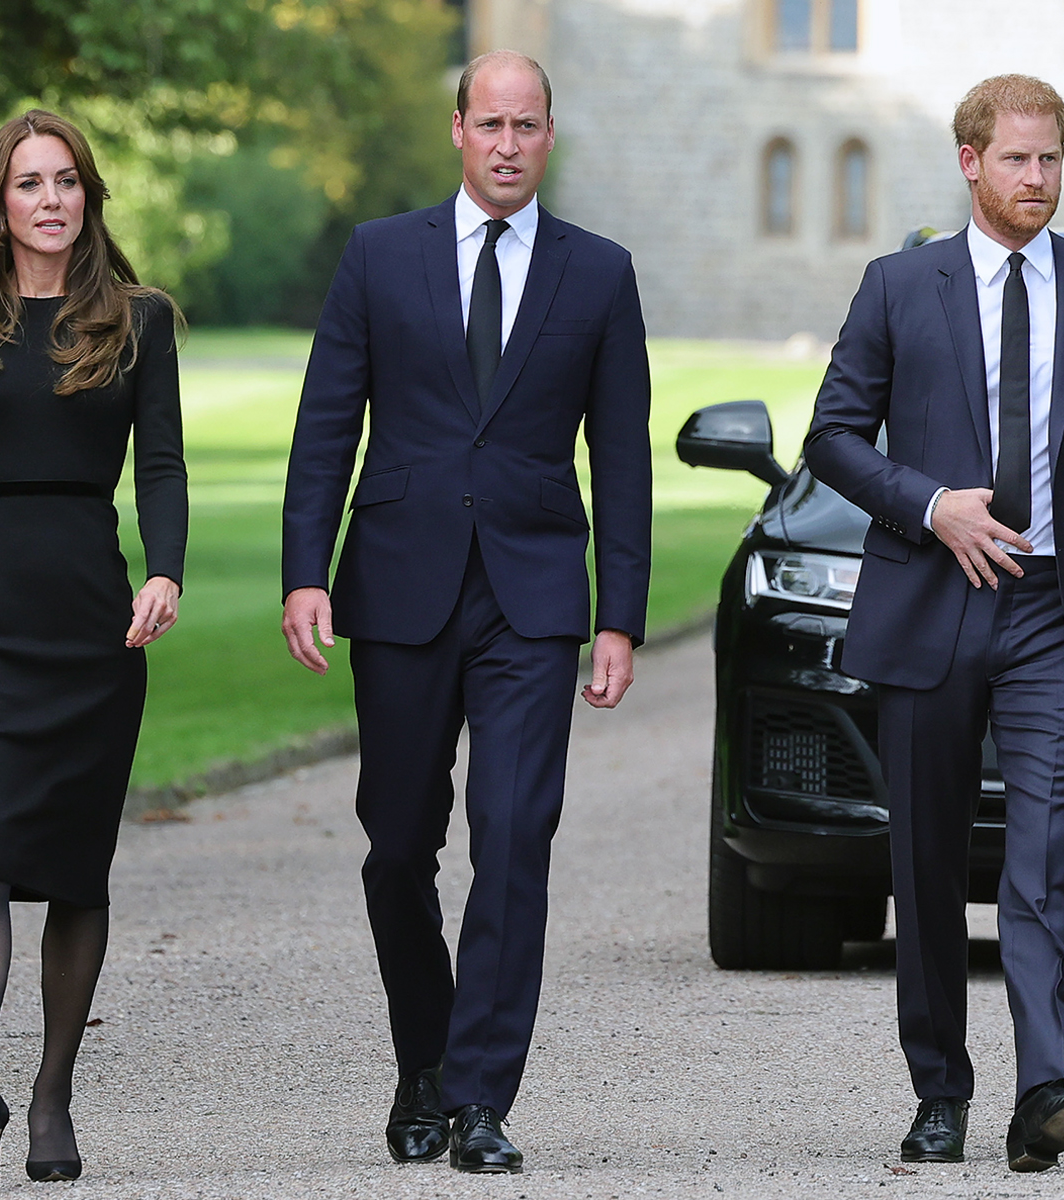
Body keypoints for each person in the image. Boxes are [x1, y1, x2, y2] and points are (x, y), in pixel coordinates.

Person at [279, 49, 651, 1175]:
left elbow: (623, 458)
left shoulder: (599, 272)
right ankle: (425, 1060)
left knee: (514, 837)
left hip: (533, 597)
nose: (505, 143)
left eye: (526, 125)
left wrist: (619, 614)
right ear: (457, 130)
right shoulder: (379, 256)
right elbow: (326, 423)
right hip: (397, 584)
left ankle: (482, 1097)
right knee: (397, 848)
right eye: (488, 123)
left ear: (549, 135)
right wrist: (306, 572)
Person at [803, 74, 1064, 1173]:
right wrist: (929, 504)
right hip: (934, 601)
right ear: (970, 161)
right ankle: (940, 1092)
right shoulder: (897, 286)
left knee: (1046, 856)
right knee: (923, 862)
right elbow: (831, 434)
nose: (1038, 180)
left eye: (1052, 159)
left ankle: (1042, 1088)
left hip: (1059, 612)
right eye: (1017, 160)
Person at [0, 110, 186, 1185]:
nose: (51, 200)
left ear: (90, 197)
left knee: (76, 875)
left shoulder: (139, 320)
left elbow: (164, 468)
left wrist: (165, 569)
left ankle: (51, 1096)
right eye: (28, 184)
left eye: (67, 182)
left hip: (92, 631)